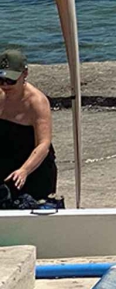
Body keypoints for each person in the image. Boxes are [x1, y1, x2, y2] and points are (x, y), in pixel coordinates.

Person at [0, 48, 56, 203]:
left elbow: (43, 144)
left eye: (11, 81)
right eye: (1, 80)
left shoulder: (36, 102)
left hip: (32, 168)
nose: (5, 85)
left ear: (24, 74)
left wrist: (24, 170)